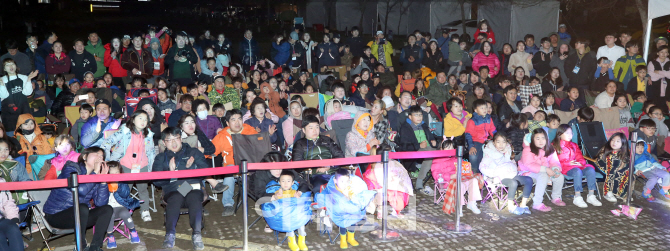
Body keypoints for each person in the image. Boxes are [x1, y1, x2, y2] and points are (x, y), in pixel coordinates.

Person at [42, 147, 113, 251]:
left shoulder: (96, 176)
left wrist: (102, 181)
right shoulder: (71, 168)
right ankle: (81, 247)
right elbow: (80, 190)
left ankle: (95, 247)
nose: (99, 157)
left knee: (107, 209)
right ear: (85, 156)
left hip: (80, 216)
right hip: (56, 215)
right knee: (82, 208)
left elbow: (101, 203)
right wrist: (96, 174)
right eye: (96, 154)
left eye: (101, 156)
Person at [152, 127, 207, 250]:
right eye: (169, 140)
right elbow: (156, 181)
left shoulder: (193, 152)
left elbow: (205, 171)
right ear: (164, 143)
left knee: (193, 197)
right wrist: (170, 173)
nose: (174, 142)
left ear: (181, 139)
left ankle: (197, 234)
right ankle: (170, 234)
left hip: (192, 188)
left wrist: (191, 169)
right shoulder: (160, 158)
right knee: (176, 197)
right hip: (172, 190)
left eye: (176, 138)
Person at [100, 110, 156, 222]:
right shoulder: (124, 131)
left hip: (142, 165)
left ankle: (144, 210)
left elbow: (151, 152)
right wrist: (108, 160)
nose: (143, 121)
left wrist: (150, 167)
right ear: (133, 119)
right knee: (125, 190)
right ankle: (123, 212)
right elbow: (107, 142)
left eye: (145, 119)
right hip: (125, 165)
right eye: (140, 118)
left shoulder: (148, 134)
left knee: (143, 189)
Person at [212, 109, 259, 216]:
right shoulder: (221, 136)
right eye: (233, 120)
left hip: (250, 165)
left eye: (239, 119)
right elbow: (211, 152)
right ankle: (228, 204)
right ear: (228, 123)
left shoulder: (250, 131)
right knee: (229, 169)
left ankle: (264, 199)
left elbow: (260, 146)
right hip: (232, 168)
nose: (237, 122)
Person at [317, 168, 375, 250]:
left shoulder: (349, 189)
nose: (345, 184)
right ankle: (343, 239)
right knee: (343, 223)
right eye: (342, 181)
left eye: (347, 181)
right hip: (339, 213)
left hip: (349, 211)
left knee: (352, 220)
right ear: (335, 181)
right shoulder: (332, 189)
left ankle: (350, 238)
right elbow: (330, 199)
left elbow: (354, 199)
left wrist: (348, 197)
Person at [480, 133, 532, 215]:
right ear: (494, 143)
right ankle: (511, 206)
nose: (501, 144)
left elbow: (512, 163)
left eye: (503, 142)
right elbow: (482, 167)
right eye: (498, 142)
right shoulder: (489, 154)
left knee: (528, 180)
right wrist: (494, 174)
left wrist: (514, 167)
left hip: (511, 175)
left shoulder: (508, 151)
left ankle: (523, 205)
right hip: (500, 177)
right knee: (513, 183)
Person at [552, 125, 602, 208]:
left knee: (590, 169)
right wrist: (569, 163)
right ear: (560, 134)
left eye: (571, 133)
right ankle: (577, 196)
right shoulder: (554, 146)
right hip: (565, 168)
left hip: (576, 166)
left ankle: (591, 195)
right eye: (567, 133)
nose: (570, 135)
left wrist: (580, 163)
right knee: (577, 172)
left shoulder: (574, 145)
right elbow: (553, 161)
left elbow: (580, 157)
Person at [432, 137, 482, 215]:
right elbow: (436, 175)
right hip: (447, 182)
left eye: (451, 147)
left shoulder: (456, 158)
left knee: (474, 180)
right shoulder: (437, 160)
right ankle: (459, 206)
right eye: (447, 148)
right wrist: (450, 176)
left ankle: (472, 203)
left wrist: (469, 172)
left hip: (460, 178)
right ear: (441, 149)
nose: (450, 150)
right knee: (460, 184)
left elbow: (465, 167)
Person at [519, 128, 565, 212]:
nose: (541, 141)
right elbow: (529, 164)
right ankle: (537, 203)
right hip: (528, 172)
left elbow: (554, 161)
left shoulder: (549, 148)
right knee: (543, 176)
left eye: (543, 138)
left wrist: (555, 169)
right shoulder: (528, 149)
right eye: (537, 138)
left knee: (559, 176)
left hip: (545, 170)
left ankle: (556, 197)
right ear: (533, 139)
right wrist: (546, 169)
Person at [396, 105, 436, 195]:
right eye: (416, 115)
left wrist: (433, 141)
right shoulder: (405, 128)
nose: (419, 117)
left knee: (443, 153)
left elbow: (431, 137)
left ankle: (442, 181)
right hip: (414, 151)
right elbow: (404, 146)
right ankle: (419, 182)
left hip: (428, 148)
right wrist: (418, 146)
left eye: (420, 115)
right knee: (430, 156)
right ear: (410, 117)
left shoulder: (424, 125)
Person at [104, 161, 141, 249]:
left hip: (120, 206)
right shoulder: (103, 183)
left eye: (116, 172)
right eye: (111, 172)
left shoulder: (122, 182)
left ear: (120, 172)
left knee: (125, 214)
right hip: (108, 208)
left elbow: (126, 193)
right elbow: (99, 198)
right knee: (109, 215)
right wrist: (105, 187)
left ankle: (133, 231)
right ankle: (110, 236)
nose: (114, 174)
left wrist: (119, 187)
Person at [0, 59, 36, 134]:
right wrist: (2, 85)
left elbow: (28, 93)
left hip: (23, 110)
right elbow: (4, 95)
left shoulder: (24, 77)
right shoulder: (2, 80)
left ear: (16, 66)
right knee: (11, 135)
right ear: (4, 69)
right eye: (7, 65)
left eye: (12, 64)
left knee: (26, 134)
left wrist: (29, 79)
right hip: (8, 113)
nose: (11, 66)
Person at [596, 132, 630, 202]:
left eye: (618, 141)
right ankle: (607, 191)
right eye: (613, 140)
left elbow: (626, 161)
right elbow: (599, 160)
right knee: (614, 163)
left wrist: (622, 166)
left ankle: (621, 192)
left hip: (616, 168)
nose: (614, 143)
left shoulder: (623, 152)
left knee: (629, 169)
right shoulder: (605, 150)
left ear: (623, 144)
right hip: (603, 166)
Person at [0, 179, 24, 251]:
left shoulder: (1, 181)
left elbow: (8, 203)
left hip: (1, 219)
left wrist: (14, 219)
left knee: (13, 228)